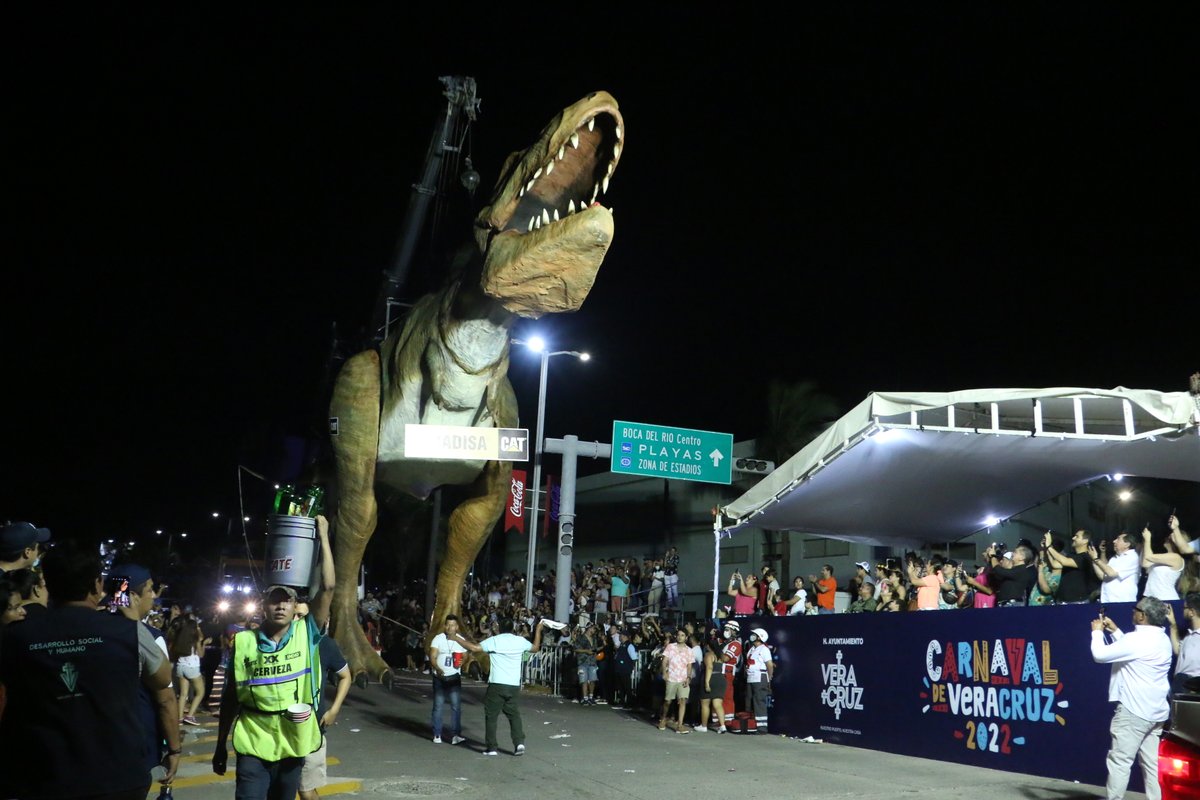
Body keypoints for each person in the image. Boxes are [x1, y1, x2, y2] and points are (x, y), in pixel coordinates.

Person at [0, 542, 181, 800]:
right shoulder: (128, 631)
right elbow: (163, 679)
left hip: (44, 776)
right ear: (97, 584)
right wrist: (174, 750)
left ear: (48, 583)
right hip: (118, 777)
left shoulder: (16, 635)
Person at [213, 514, 335, 800]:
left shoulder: (307, 633)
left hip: (292, 742)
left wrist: (324, 537)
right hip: (253, 742)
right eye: (273, 600)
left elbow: (328, 588)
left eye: (286, 600)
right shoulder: (243, 642)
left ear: (296, 606)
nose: (280, 605)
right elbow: (231, 695)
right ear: (264, 606)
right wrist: (220, 744)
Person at [1090, 596, 1172, 800]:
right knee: (1151, 765)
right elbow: (1133, 650)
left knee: (1120, 762)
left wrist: (1097, 633)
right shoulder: (1162, 638)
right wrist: (1116, 631)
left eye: (1135, 609)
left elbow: (1099, 655)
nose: (1132, 612)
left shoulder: (1137, 640)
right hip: (1156, 712)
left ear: (1142, 616)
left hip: (1134, 712)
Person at [111, 561, 178, 783]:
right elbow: (165, 699)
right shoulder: (150, 637)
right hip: (139, 742)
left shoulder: (96, 628)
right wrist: (175, 749)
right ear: (133, 596)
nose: (153, 596)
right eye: (149, 589)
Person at [454, 617, 547, 756]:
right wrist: (538, 630)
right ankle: (519, 743)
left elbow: (473, 647)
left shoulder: (495, 640)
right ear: (512, 628)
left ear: (499, 628)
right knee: (513, 714)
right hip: (513, 685)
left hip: (497, 683)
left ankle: (492, 747)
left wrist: (455, 637)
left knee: (491, 716)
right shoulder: (519, 641)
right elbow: (535, 648)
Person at [299, 606, 352, 800]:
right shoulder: (279, 645)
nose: (297, 620)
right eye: (294, 615)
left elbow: (346, 676)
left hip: (312, 727)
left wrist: (334, 709)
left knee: (306, 789)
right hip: (282, 729)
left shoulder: (324, 645)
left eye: (302, 616)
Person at [429, 614, 468, 744]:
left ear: (457, 627)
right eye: (448, 624)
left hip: (454, 677)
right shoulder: (438, 639)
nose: (450, 627)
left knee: (456, 706)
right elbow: (432, 656)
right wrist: (437, 668)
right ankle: (437, 734)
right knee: (438, 705)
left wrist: (463, 660)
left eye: (453, 625)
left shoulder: (460, 640)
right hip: (439, 677)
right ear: (445, 626)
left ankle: (456, 734)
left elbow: (466, 655)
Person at [168, 610, 208, 725]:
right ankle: (190, 716)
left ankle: (180, 718)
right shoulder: (195, 640)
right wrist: (203, 643)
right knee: (200, 692)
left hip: (181, 667)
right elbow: (201, 654)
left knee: (183, 694)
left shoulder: (180, 639)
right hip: (192, 668)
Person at [1045, 529, 1100, 603]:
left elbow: (1064, 561)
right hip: (1063, 600)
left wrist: (1049, 547)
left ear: (1085, 540)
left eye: (1077, 536)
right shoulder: (1071, 555)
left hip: (1077, 601)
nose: (1073, 538)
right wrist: (1047, 548)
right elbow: (1055, 564)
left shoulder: (1085, 557)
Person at [658, 627, 693, 733]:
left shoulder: (689, 650)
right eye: (678, 635)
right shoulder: (670, 647)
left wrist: (688, 677)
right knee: (668, 701)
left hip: (683, 679)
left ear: (686, 637)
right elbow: (664, 661)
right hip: (671, 678)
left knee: (683, 700)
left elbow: (689, 665)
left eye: (682, 635)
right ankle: (663, 718)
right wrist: (664, 672)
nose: (680, 637)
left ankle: (680, 725)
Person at [1094, 532, 1141, 604]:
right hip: (1107, 600)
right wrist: (1099, 555)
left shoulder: (1132, 557)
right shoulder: (1115, 558)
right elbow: (1104, 574)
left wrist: (1096, 559)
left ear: (1127, 544)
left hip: (1122, 602)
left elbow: (1111, 573)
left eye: (1118, 539)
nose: (1114, 541)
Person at [1167, 593, 1200, 695]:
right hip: (1180, 686)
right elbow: (1178, 650)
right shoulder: (1189, 636)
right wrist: (1173, 624)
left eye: (1184, 608)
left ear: (1191, 612)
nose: (1182, 610)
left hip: (1193, 688)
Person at [1141, 526, 1184, 602]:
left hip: (1166, 599)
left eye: (1169, 538)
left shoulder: (1176, 558)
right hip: (1152, 599)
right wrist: (1145, 541)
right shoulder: (1163, 557)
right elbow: (1145, 563)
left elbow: (1148, 556)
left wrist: (1148, 539)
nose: (1166, 538)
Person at [744, 628, 774, 733]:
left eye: (754, 634)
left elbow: (769, 665)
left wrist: (769, 679)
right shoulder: (752, 649)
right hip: (750, 677)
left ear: (760, 637)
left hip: (760, 677)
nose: (752, 635)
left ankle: (762, 728)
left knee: (759, 702)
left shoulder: (764, 649)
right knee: (749, 701)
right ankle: (750, 725)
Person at [570, 614, 600, 705]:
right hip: (583, 661)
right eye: (593, 628)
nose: (594, 630)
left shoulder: (594, 638)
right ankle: (585, 698)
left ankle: (591, 697)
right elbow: (575, 648)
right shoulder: (580, 638)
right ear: (588, 628)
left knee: (593, 680)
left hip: (592, 661)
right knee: (583, 680)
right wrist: (586, 651)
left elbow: (595, 648)